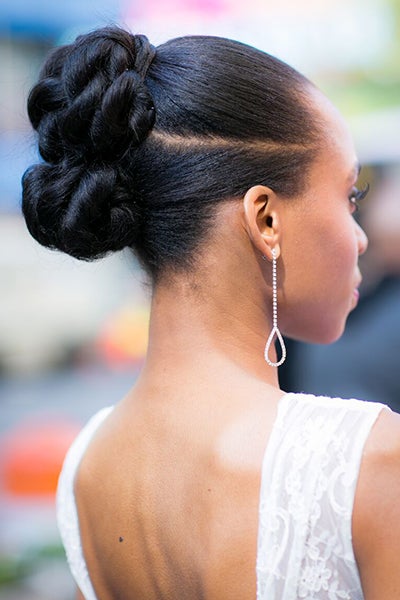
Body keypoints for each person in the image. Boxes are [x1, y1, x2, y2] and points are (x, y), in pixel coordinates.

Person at [22, 26, 400, 600]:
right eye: (350, 196)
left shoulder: (87, 467)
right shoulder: (360, 458)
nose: (360, 237)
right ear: (266, 219)